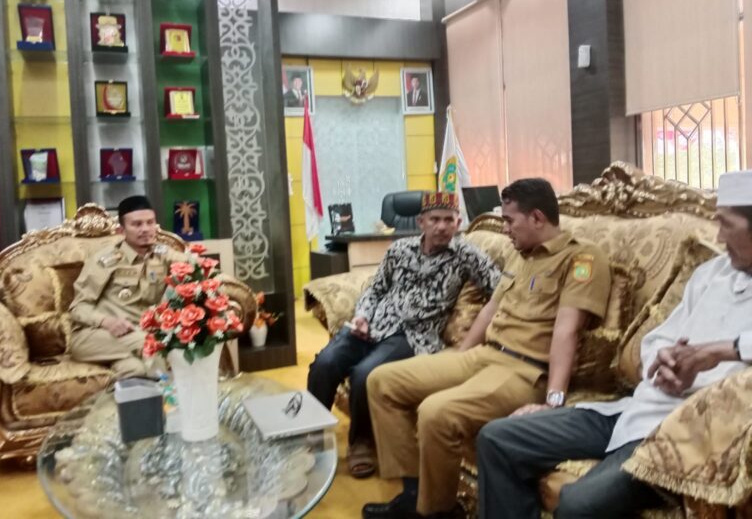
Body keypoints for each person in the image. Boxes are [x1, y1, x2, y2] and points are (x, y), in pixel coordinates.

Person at [477, 169, 752, 519]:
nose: (719, 235)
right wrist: (663, 360)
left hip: (680, 435)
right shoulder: (712, 273)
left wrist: (721, 351)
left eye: (727, 224)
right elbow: (659, 337)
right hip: (634, 408)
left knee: (578, 504)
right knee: (497, 439)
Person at [363, 178, 611, 519]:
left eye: (510, 221)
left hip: (524, 371)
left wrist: (554, 401)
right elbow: (489, 311)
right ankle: (414, 495)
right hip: (484, 355)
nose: (504, 229)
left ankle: (436, 512)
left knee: (435, 412)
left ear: (537, 218)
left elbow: (566, 332)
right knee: (381, 382)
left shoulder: (582, 258)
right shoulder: (519, 255)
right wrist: (461, 355)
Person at [307, 192, 501, 479]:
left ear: (458, 222)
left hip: (414, 336)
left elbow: (500, 287)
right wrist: (362, 315)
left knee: (366, 374)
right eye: (435, 220)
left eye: (449, 220)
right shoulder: (399, 249)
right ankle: (311, 437)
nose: (442, 226)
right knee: (325, 363)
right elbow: (376, 288)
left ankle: (361, 443)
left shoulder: (466, 254)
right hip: (372, 325)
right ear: (421, 222)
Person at [69, 195, 187, 377]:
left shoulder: (162, 254)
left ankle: (116, 396)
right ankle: (170, 393)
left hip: (133, 335)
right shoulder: (105, 261)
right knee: (150, 344)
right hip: (94, 335)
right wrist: (107, 322)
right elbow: (78, 308)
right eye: (137, 224)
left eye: (150, 222)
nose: (145, 229)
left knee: (135, 369)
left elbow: (197, 267)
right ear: (121, 230)